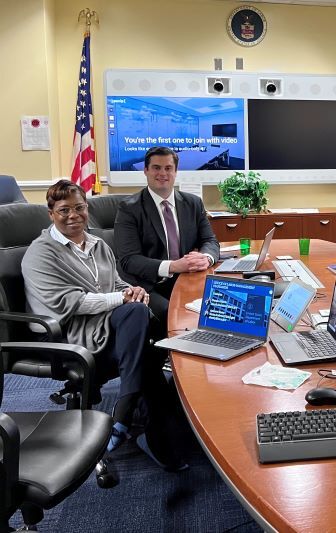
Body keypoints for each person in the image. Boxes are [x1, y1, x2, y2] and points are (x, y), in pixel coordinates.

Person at [22, 180, 186, 471]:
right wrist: (123, 298)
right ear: (51, 214)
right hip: (73, 336)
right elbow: (68, 303)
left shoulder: (98, 244)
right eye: (63, 210)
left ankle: (154, 432)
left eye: (79, 208)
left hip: (110, 327)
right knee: (142, 338)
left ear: (87, 208)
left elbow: (117, 284)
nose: (73, 215)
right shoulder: (40, 253)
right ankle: (133, 413)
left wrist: (134, 291)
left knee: (141, 329)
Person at [114, 146, 219, 329]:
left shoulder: (192, 203)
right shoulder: (129, 208)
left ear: (175, 171)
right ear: (145, 171)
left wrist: (206, 258)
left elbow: (210, 241)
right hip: (149, 285)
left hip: (187, 279)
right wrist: (173, 266)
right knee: (176, 315)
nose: (162, 173)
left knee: (218, 308)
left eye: (168, 168)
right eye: (156, 167)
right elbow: (128, 260)